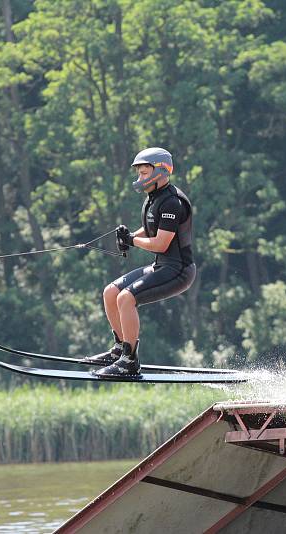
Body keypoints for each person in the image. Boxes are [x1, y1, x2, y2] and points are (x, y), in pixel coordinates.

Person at [84, 147, 195, 376]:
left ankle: (129, 361)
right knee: (111, 292)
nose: (140, 178)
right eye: (139, 173)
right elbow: (151, 229)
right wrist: (130, 236)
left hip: (179, 271)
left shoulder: (173, 202)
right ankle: (119, 349)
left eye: (145, 173)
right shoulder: (153, 198)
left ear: (161, 171)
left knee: (127, 298)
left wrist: (133, 241)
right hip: (162, 265)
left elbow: (160, 244)